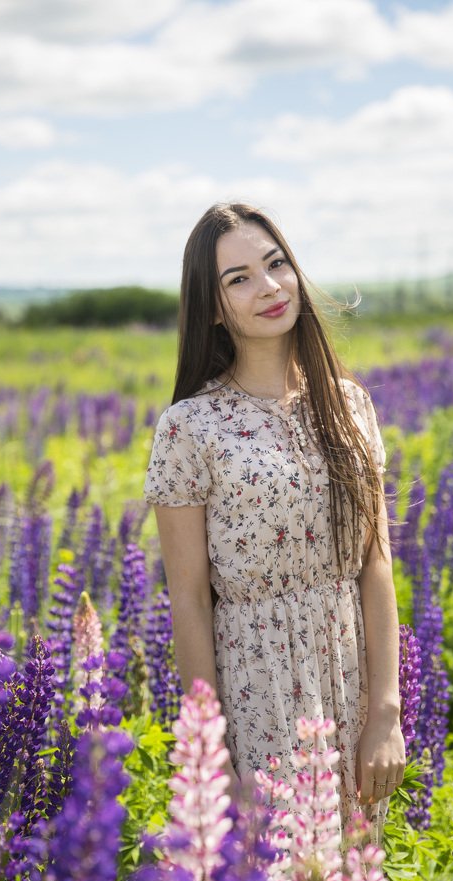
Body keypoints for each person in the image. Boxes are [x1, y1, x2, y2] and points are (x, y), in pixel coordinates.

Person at [144, 202, 405, 835]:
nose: (268, 287)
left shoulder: (349, 406)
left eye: (276, 264)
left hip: (351, 686)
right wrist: (211, 756)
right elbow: (190, 603)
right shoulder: (189, 428)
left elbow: (375, 566)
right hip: (253, 695)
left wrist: (386, 714)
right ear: (211, 307)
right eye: (238, 279)